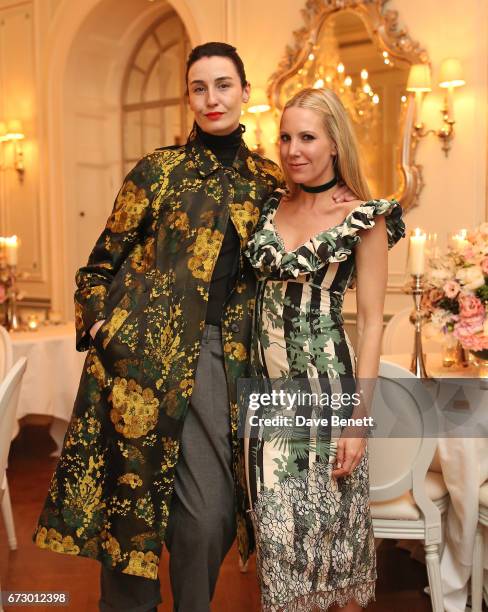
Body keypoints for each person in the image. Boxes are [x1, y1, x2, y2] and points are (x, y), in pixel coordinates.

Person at [33, 43, 355, 612]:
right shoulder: (156, 171)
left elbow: (317, 220)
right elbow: (98, 264)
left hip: (218, 364)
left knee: (207, 517)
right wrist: (106, 329)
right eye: (199, 88)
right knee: (129, 516)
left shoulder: (268, 183)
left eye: (224, 85)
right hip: (137, 366)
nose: (212, 99)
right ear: (189, 97)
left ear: (246, 92)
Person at [243, 87, 406, 611]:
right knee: (279, 545)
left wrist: (358, 421)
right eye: (286, 137)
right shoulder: (268, 207)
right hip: (267, 405)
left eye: (308, 137)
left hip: (330, 399)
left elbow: (372, 327)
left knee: (335, 548)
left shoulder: (363, 217)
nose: (293, 149)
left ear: (334, 142)